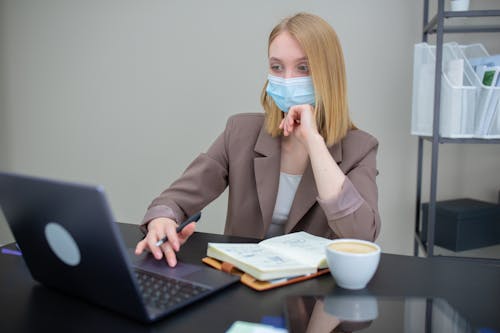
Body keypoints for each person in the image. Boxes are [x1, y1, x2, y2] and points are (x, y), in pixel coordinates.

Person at [135, 12, 381, 267]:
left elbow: (361, 237)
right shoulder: (240, 132)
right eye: (277, 67)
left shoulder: (360, 148)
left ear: (329, 75)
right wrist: (162, 220)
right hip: (244, 286)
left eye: (303, 67)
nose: (287, 79)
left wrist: (314, 144)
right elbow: (175, 200)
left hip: (314, 297)